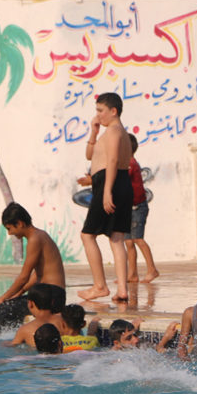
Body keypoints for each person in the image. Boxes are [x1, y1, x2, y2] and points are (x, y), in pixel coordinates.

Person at [78, 93, 133, 302]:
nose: (97, 115)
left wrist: (107, 191)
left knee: (87, 235)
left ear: (113, 111)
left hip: (110, 184)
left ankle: (99, 285)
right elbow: (90, 155)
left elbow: (111, 161)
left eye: (101, 111)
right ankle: (122, 290)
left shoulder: (114, 131)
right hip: (116, 183)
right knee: (117, 238)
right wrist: (93, 131)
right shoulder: (114, 132)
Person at [0, 203, 66, 328]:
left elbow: (24, 277)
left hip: (51, 297)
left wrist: (1, 299)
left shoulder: (35, 239)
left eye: (10, 229)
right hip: (50, 295)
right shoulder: (39, 235)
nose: (10, 233)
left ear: (20, 223)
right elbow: (37, 275)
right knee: (0, 311)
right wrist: (18, 293)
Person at [125, 134, 159, 283]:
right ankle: (132, 274)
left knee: (138, 239)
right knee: (128, 242)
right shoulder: (126, 162)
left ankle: (152, 269)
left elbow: (121, 178)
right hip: (128, 208)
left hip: (138, 207)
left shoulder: (130, 163)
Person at [1, 283, 67, 348]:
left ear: (30, 304)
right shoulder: (64, 320)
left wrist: (4, 343)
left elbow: (13, 345)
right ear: (52, 301)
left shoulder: (25, 329)